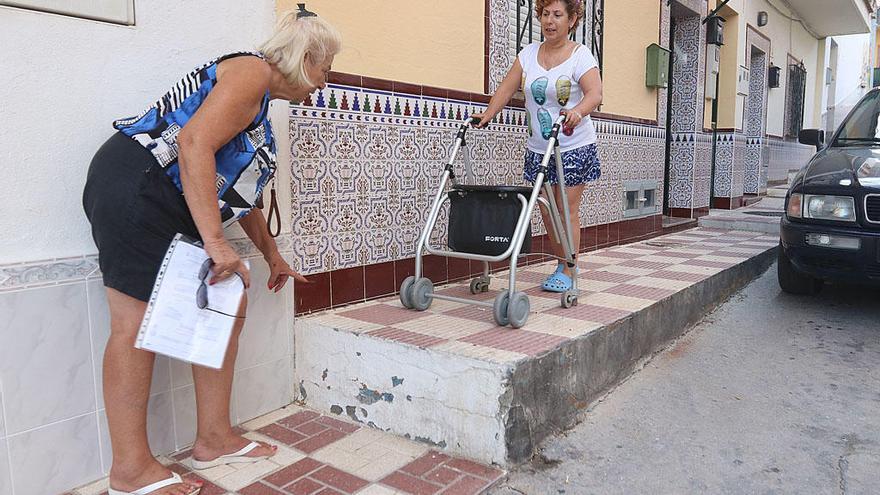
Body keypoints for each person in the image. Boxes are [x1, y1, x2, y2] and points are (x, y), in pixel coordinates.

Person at [82, 7, 341, 495]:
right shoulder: (251, 71)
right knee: (133, 324)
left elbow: (239, 197)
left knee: (228, 298)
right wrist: (216, 244)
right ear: (307, 58)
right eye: (325, 69)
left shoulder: (259, 108)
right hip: (136, 187)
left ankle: (214, 438)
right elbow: (194, 143)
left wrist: (272, 254)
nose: (323, 84)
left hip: (163, 198)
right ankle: (130, 471)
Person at [472, 0, 602, 292]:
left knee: (565, 208)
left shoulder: (580, 56)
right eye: (545, 14)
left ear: (572, 20)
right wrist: (488, 114)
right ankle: (561, 261)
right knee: (546, 210)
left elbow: (595, 93)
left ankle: (569, 270)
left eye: (557, 15)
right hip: (539, 148)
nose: (550, 21)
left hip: (573, 145)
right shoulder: (528, 54)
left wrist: (578, 111)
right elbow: (506, 88)